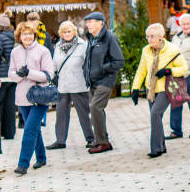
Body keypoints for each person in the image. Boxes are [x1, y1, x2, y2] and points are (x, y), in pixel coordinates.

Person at [131, 23, 188, 157]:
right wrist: (135, 88)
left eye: (152, 36)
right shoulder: (146, 50)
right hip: (151, 88)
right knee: (156, 117)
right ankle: (162, 146)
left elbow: (184, 68)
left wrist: (169, 71)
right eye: (147, 36)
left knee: (155, 114)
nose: (149, 39)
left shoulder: (172, 50)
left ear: (160, 37)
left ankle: (155, 148)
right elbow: (141, 70)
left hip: (166, 88)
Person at [8, 22, 54, 175]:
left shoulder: (43, 51)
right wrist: (19, 75)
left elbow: (48, 75)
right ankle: (41, 158)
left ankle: (23, 164)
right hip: (22, 97)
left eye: (29, 33)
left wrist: (29, 73)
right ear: (19, 36)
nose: (27, 36)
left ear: (34, 35)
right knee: (34, 129)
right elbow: (11, 74)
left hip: (40, 97)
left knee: (29, 130)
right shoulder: (15, 52)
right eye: (23, 34)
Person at [45, 21, 94, 150]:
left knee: (83, 114)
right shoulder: (58, 47)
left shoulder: (83, 45)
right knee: (61, 114)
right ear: (61, 34)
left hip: (79, 85)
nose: (67, 34)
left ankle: (91, 139)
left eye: (69, 31)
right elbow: (54, 65)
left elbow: (89, 65)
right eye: (64, 32)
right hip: (63, 86)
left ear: (74, 32)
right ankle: (60, 140)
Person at [82, 11, 124, 154]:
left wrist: (102, 68)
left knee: (95, 107)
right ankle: (101, 137)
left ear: (101, 23)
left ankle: (102, 143)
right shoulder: (91, 38)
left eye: (91, 21)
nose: (88, 24)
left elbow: (119, 61)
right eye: (87, 22)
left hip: (106, 80)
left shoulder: (109, 38)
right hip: (93, 80)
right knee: (96, 110)